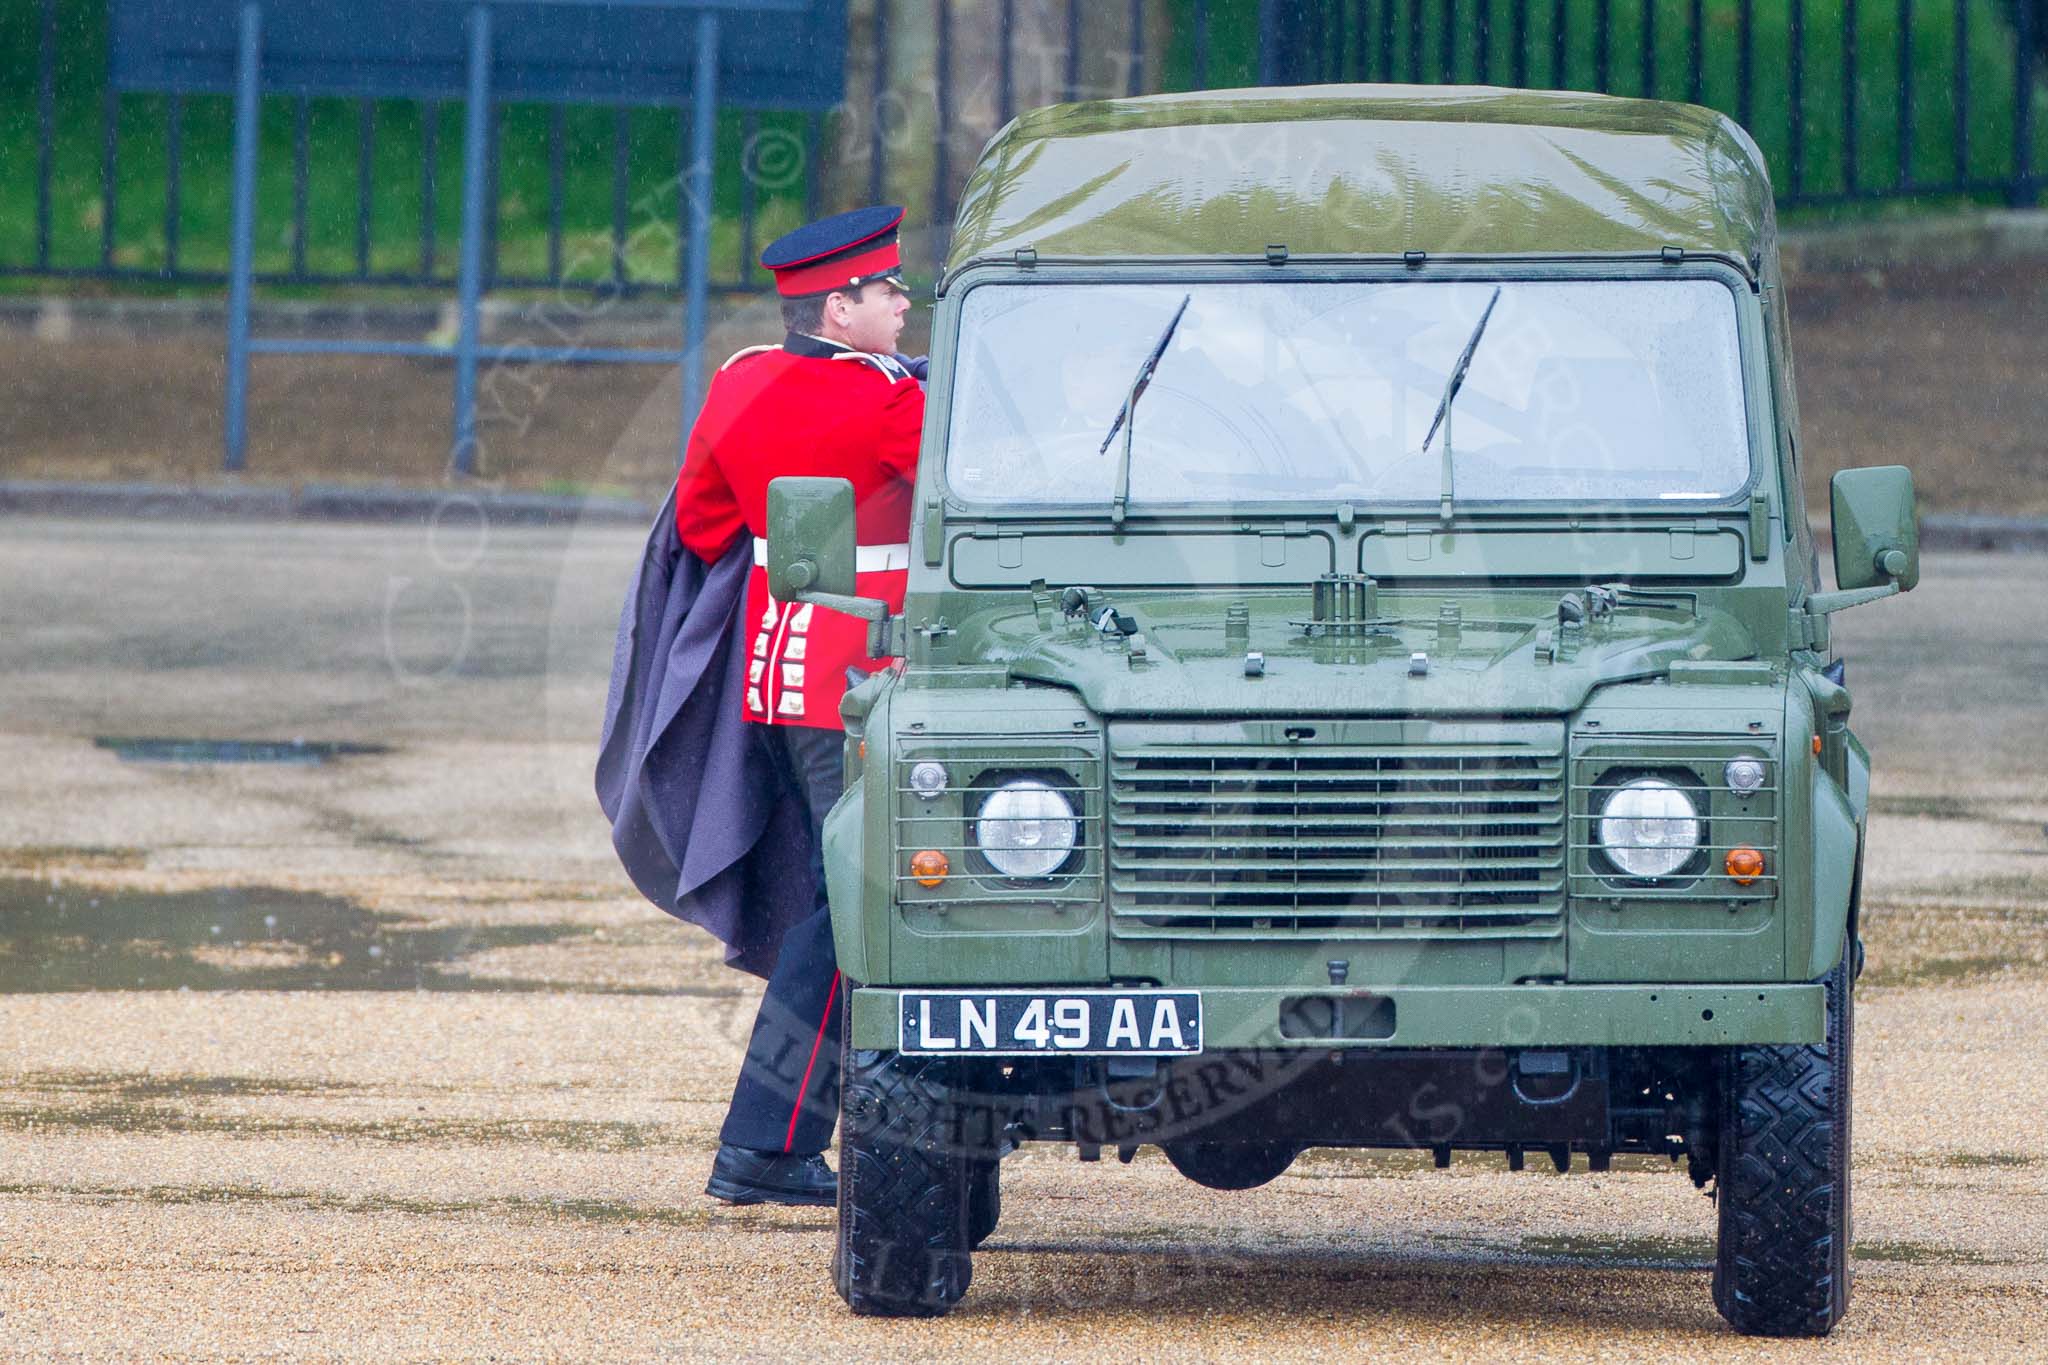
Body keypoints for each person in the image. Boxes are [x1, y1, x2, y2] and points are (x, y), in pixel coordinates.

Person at [603, 205, 923, 1207]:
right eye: (888, 289)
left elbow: (702, 521)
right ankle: (766, 1142)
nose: (905, 301)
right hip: (866, 681)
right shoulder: (889, 403)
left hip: (779, 676)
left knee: (831, 907)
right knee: (856, 913)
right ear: (840, 307)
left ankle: (787, 1135)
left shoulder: (741, 378)